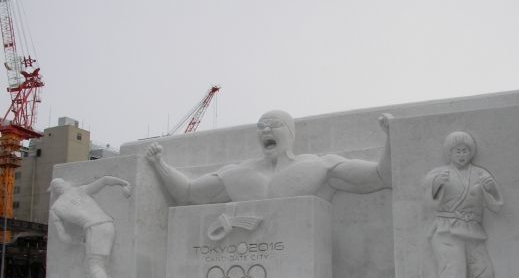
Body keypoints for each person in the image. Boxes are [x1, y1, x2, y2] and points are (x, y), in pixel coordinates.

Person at [145, 110, 391, 205]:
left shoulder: (319, 165)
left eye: (274, 125)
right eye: (261, 126)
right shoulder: (237, 173)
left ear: (290, 133)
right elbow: (187, 193)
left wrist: (392, 138)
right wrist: (159, 164)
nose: (265, 130)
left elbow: (379, 177)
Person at [424, 131, 503, 278]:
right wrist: (436, 185)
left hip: (473, 229)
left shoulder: (481, 174)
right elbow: (430, 203)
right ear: (449, 152)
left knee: (482, 266)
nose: (461, 154)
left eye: (465, 150)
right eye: (457, 150)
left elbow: (495, 206)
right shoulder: (439, 174)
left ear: (471, 152)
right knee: (453, 263)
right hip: (446, 229)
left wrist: (492, 189)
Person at [48, 176, 131, 278]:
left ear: (53, 190)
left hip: (95, 228)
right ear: (65, 184)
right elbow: (105, 180)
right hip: (107, 225)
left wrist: (78, 241)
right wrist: (124, 183)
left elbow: (64, 237)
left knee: (95, 265)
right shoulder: (79, 190)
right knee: (89, 265)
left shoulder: (56, 208)